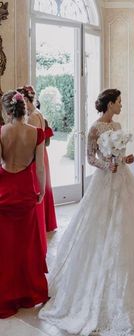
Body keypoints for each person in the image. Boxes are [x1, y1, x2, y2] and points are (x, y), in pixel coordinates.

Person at [39, 89, 134, 335]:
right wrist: (106, 163)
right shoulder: (94, 129)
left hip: (123, 179)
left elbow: (119, 155)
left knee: (126, 227)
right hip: (104, 182)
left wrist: (125, 159)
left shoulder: (118, 123)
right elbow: (91, 158)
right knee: (100, 226)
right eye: (119, 101)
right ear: (110, 104)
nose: (121, 105)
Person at [0, 90, 48, 318]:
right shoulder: (36, 133)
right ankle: (29, 290)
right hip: (26, 191)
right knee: (26, 244)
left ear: (6, 110)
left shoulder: (1, 132)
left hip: (5, 193)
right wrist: (41, 192)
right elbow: (40, 168)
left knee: (6, 246)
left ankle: (7, 292)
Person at [17, 85, 57, 233]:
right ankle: (45, 221)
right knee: (42, 185)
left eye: (22, 101)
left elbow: (32, 140)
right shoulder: (37, 112)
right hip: (41, 153)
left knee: (37, 186)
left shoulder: (33, 116)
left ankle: (41, 222)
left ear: (27, 100)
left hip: (36, 155)